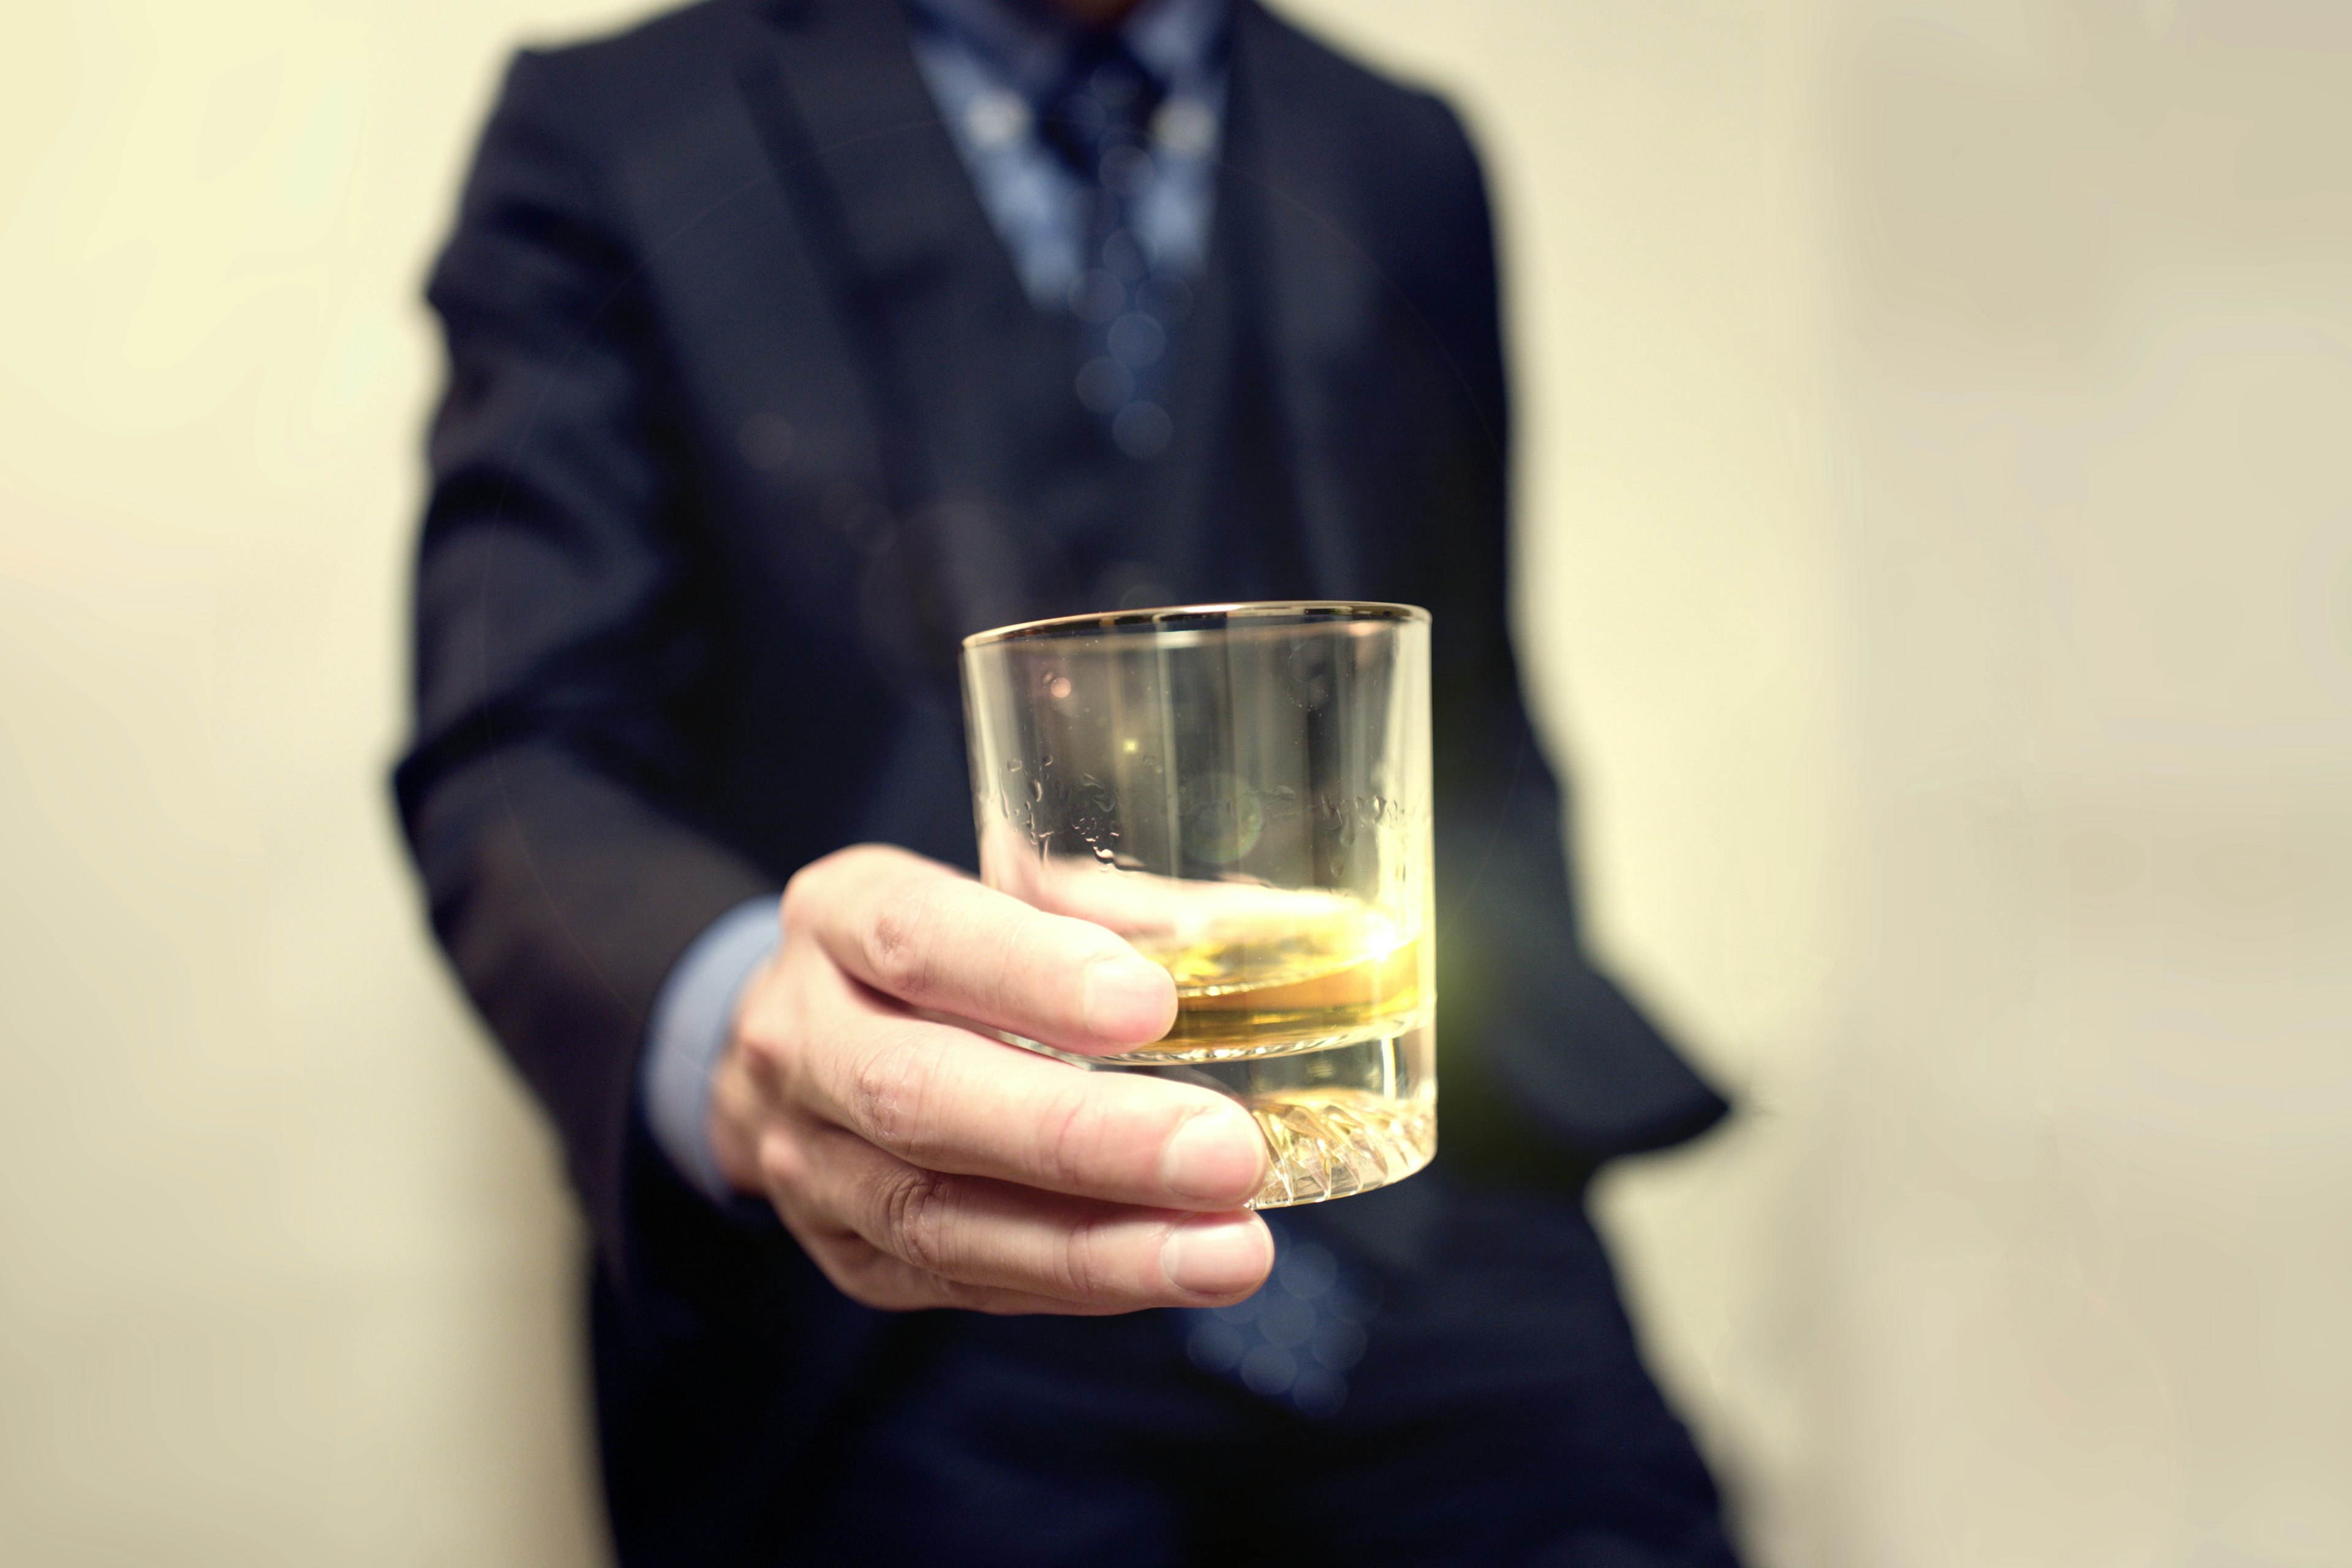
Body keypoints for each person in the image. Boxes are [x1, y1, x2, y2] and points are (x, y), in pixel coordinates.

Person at [396, 0, 1740, 1560]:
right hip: (908, 1293)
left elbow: (1474, 706)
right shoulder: (611, 132)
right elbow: (522, 753)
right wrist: (757, 1035)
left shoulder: (1400, 149)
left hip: (1432, 1223)